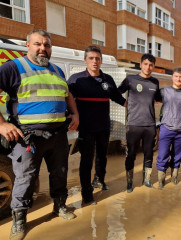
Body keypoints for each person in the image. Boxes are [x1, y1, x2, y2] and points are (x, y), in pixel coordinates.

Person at [0, 29, 79, 240]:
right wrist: (1, 124)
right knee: (25, 180)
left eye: (46, 45)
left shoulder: (57, 70)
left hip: (58, 135)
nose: (42, 49)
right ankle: (19, 222)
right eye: (38, 44)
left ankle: (59, 207)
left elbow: (67, 94)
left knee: (60, 173)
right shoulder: (13, 67)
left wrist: (75, 113)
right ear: (27, 45)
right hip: (27, 139)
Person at [67, 46, 126, 205]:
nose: (95, 61)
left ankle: (99, 180)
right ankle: (87, 193)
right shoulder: (76, 79)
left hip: (104, 126)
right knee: (86, 160)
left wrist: (135, 106)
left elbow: (117, 98)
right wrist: (71, 117)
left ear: (101, 61)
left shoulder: (107, 79)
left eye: (97, 58)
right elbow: (66, 98)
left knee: (102, 157)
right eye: (91, 58)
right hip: (86, 128)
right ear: (85, 60)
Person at [118, 53, 161, 193]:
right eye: (145, 64)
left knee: (149, 153)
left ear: (153, 67)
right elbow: (117, 92)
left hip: (149, 125)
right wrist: (124, 103)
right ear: (141, 64)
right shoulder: (130, 79)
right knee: (130, 154)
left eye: (151, 65)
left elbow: (159, 98)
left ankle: (146, 180)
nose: (148, 67)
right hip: (133, 124)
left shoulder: (155, 82)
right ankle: (129, 183)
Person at [156, 67, 181, 189]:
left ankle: (174, 176)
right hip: (166, 129)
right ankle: (161, 180)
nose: (178, 79)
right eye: (176, 76)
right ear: (172, 77)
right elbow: (150, 100)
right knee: (163, 154)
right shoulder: (164, 92)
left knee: (177, 156)